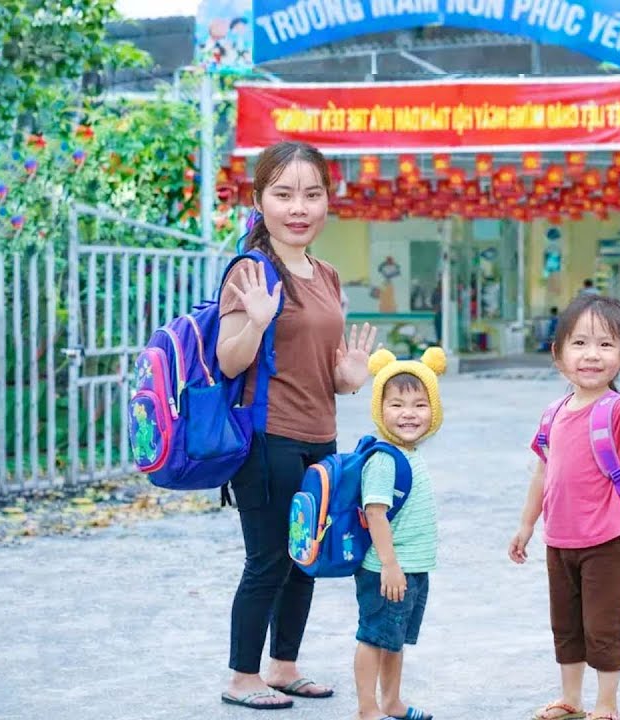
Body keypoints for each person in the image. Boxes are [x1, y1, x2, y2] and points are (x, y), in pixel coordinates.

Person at [216, 140, 379, 709]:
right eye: (284, 194)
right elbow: (230, 361)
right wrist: (255, 322)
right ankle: (243, 677)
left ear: (327, 201)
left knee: (307, 556)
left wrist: (348, 378)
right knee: (268, 560)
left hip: (319, 434)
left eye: (312, 195)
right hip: (268, 437)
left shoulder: (327, 274)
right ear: (259, 201)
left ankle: (283, 667)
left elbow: (320, 370)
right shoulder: (251, 271)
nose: (299, 208)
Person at [508, 294, 620, 720]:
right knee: (566, 625)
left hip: (607, 539)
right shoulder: (553, 413)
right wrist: (526, 525)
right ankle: (571, 698)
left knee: (602, 626)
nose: (592, 354)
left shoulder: (619, 409)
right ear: (558, 355)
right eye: (580, 343)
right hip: (559, 540)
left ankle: (606, 705)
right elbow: (542, 473)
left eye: (606, 345)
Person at [352, 347, 446, 720]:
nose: (409, 413)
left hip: (411, 568)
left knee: (394, 640)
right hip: (387, 570)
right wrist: (390, 565)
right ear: (380, 409)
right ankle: (367, 708)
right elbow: (375, 514)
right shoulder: (384, 458)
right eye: (396, 405)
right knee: (373, 637)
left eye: (420, 405)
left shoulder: (409, 453)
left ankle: (391, 702)